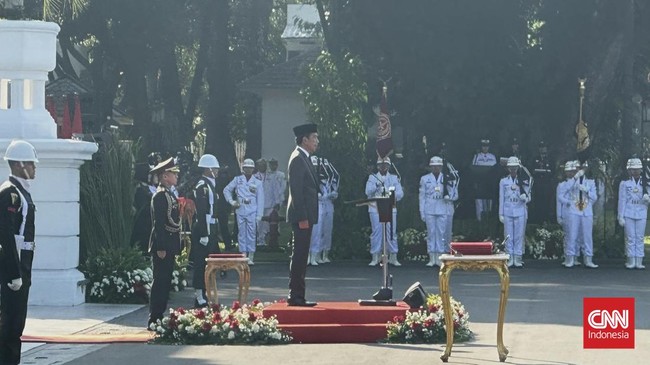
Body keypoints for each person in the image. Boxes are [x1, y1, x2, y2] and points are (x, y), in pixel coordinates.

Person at [0, 140, 38, 365]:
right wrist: (14, 272)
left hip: (22, 264)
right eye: (31, 164)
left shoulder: (21, 192)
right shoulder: (10, 194)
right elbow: (6, 236)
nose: (34, 169)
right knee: (10, 324)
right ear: (20, 164)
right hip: (12, 267)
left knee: (16, 323)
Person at [287, 123, 319, 307]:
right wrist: (303, 218)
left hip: (307, 215)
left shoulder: (305, 157)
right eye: (313, 137)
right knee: (299, 254)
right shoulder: (297, 158)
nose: (316, 141)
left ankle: (299, 293)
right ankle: (296, 295)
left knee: (302, 254)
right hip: (302, 217)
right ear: (304, 139)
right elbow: (297, 192)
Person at [147, 157, 182, 329]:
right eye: (173, 174)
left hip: (170, 243)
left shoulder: (168, 194)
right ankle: (154, 317)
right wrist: (160, 246)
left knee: (165, 281)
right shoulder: (161, 196)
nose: (176, 177)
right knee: (160, 281)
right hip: (163, 245)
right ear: (165, 176)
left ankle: (159, 315)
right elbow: (159, 223)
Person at [190, 154, 221, 307]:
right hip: (204, 228)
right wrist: (204, 233)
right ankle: (198, 294)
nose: (217, 171)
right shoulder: (202, 186)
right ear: (208, 169)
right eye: (215, 168)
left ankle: (206, 291)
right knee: (200, 263)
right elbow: (202, 212)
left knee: (210, 263)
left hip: (211, 227)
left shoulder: (210, 184)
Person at [365, 156, 404, 266]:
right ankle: (375, 256)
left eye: (385, 165)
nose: (383, 167)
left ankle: (393, 256)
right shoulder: (372, 178)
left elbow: (400, 194)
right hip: (375, 208)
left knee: (391, 232)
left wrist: (391, 194)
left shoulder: (394, 178)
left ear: (389, 166)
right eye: (381, 165)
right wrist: (377, 185)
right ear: (377, 166)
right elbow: (367, 192)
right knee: (376, 232)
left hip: (390, 207)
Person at [223, 158, 263, 265]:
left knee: (251, 233)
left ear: (253, 169)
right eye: (246, 168)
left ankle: (251, 256)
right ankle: (243, 254)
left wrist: (259, 215)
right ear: (243, 168)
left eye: (250, 168)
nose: (248, 170)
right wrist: (232, 201)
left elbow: (261, 199)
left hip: (252, 210)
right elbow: (226, 190)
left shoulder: (258, 182)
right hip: (240, 209)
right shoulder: (237, 180)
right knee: (241, 233)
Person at [420, 156, 458, 267]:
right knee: (431, 233)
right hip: (430, 208)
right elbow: (422, 197)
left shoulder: (447, 178)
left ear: (441, 167)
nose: (436, 168)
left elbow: (454, 194)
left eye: (438, 166)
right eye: (434, 166)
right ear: (430, 167)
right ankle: (432, 257)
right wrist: (422, 211)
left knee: (441, 233)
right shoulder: (424, 179)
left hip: (442, 208)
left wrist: (449, 197)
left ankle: (440, 257)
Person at [559, 161, 598, 268]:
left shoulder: (590, 182)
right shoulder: (571, 181)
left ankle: (588, 258)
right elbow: (563, 192)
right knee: (572, 234)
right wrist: (575, 178)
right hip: (574, 210)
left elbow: (595, 197)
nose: (579, 169)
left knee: (587, 236)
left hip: (586, 211)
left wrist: (587, 191)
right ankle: (570, 258)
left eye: (582, 168)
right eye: (577, 168)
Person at [498, 156, 531, 268]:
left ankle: (517, 257)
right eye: (511, 168)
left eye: (515, 167)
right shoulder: (503, 181)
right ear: (508, 168)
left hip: (520, 209)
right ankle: (509, 257)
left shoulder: (523, 180)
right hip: (508, 210)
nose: (513, 170)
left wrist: (525, 198)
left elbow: (529, 196)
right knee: (508, 235)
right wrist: (500, 213)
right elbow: (501, 198)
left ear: (518, 168)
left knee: (519, 235)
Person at [618, 158, 649, 269]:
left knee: (640, 237)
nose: (635, 171)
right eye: (633, 169)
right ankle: (631, 260)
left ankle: (639, 261)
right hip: (629, 211)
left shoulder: (646, 182)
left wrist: (647, 198)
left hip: (641, 211)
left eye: (637, 169)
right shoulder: (625, 184)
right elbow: (622, 200)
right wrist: (620, 216)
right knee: (630, 237)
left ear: (641, 170)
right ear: (629, 170)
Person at [255, 158, 284, 247]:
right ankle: (261, 241)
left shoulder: (271, 176)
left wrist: (277, 202)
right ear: (257, 166)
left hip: (270, 204)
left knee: (270, 225)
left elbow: (276, 190)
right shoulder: (255, 177)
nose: (263, 167)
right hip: (259, 205)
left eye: (264, 165)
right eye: (260, 165)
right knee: (259, 224)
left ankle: (272, 242)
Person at [471, 139, 497, 221]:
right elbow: (473, 170)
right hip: (480, 182)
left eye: (486, 146)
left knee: (489, 201)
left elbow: (495, 170)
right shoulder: (477, 156)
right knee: (479, 201)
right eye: (483, 146)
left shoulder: (492, 157)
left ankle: (489, 219)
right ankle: (479, 220)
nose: (485, 148)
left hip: (489, 182)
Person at [557, 161, 577, 267]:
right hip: (567, 212)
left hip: (578, 213)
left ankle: (575, 257)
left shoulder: (578, 183)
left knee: (577, 235)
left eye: (573, 171)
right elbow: (559, 201)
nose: (570, 173)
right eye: (568, 171)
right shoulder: (562, 185)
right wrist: (559, 216)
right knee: (568, 236)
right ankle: (568, 257)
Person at [530, 141, 555, 223]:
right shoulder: (535, 159)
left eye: (544, 147)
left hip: (547, 184)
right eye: (541, 147)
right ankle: (538, 221)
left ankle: (546, 221)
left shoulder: (550, 159)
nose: (542, 149)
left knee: (547, 203)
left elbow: (553, 171)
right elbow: (532, 171)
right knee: (538, 203)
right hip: (538, 185)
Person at [215, 166, 234, 251]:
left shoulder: (217, 181)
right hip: (221, 207)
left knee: (222, 227)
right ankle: (228, 244)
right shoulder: (227, 181)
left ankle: (227, 244)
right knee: (223, 227)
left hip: (220, 207)